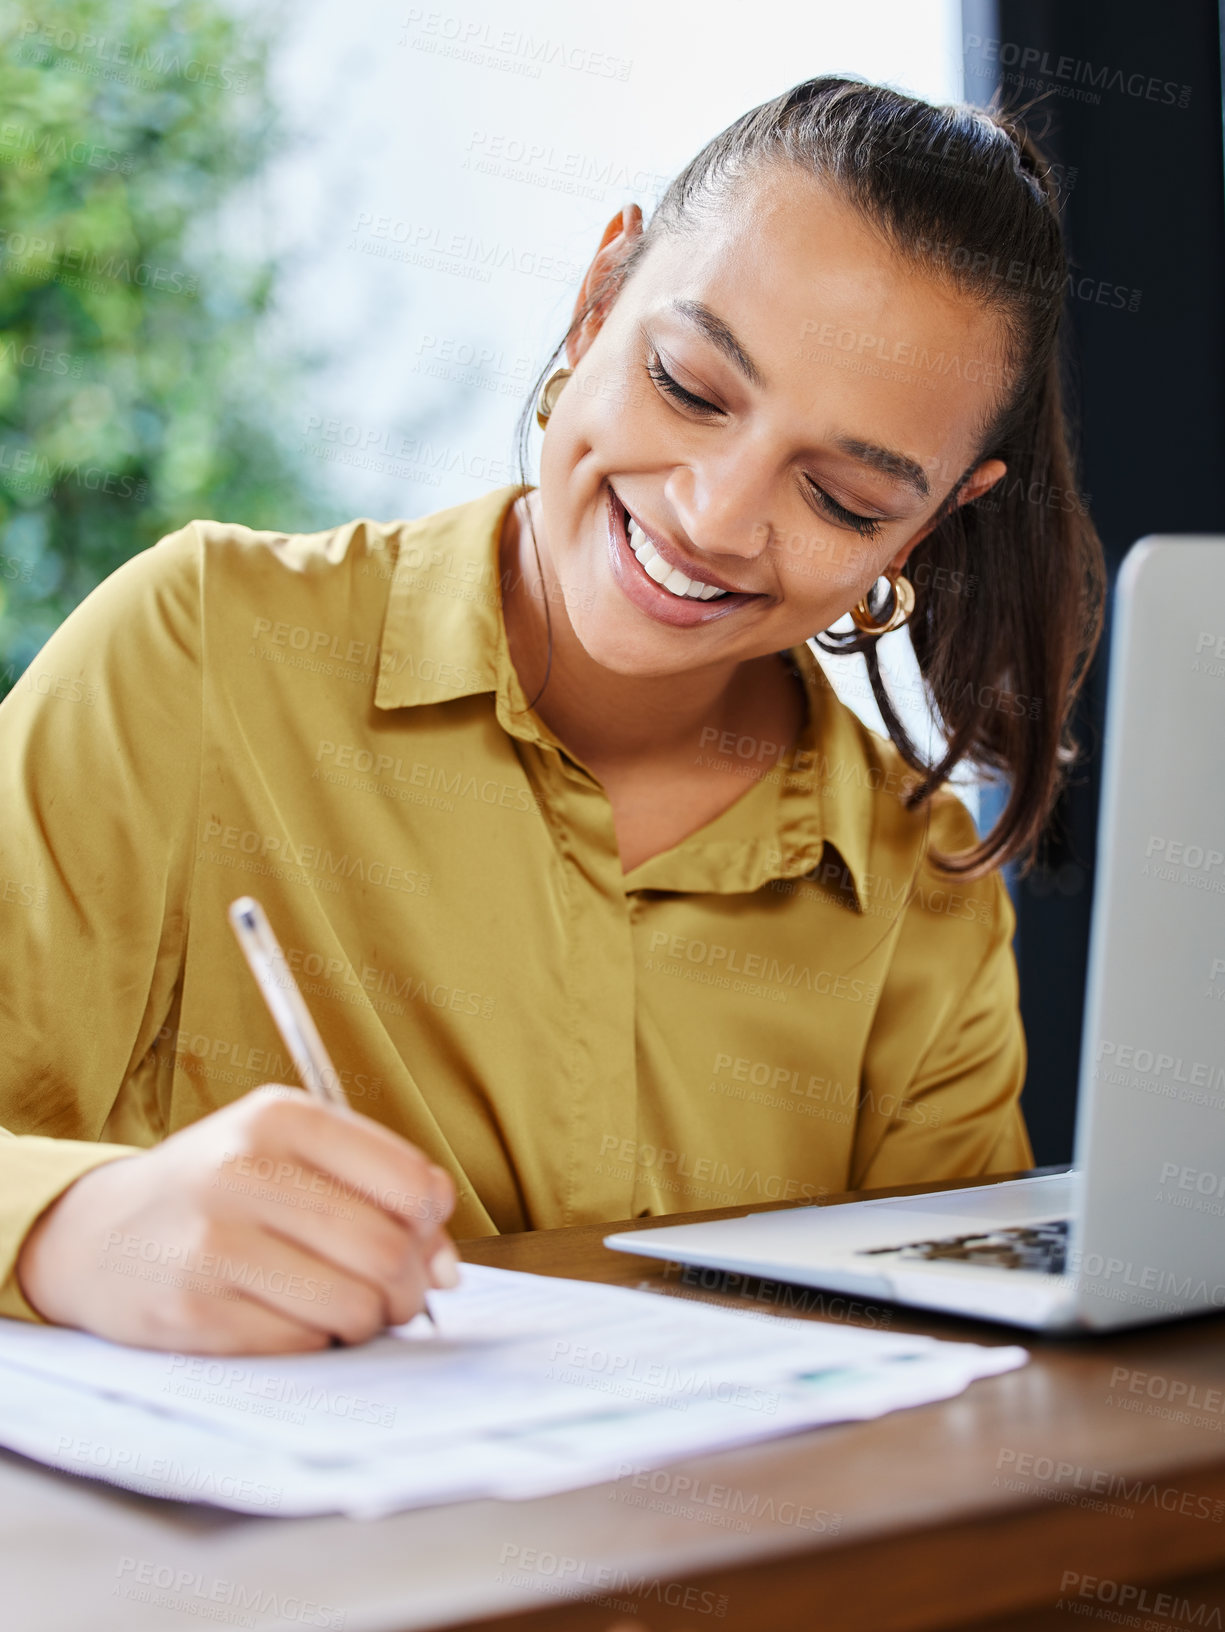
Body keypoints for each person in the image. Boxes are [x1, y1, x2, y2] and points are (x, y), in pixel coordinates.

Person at [0, 77, 1105, 1355]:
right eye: (690, 386)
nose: (711, 514)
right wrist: (71, 1227)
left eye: (847, 498)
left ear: (934, 517)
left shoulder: (918, 878)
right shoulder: (203, 650)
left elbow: (955, 1394)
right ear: (597, 302)